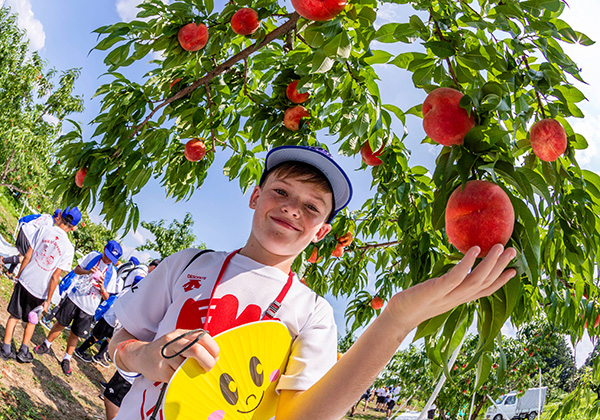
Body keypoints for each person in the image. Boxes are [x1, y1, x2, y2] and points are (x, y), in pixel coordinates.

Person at [107, 145, 517, 420]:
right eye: (281, 191)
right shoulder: (185, 264)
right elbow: (120, 340)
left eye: (311, 206)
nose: (291, 208)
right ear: (255, 196)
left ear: (322, 232)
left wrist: (394, 323)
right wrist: (144, 357)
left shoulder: (312, 312)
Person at [0, 206, 80, 362]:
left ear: (60, 216)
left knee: (14, 316)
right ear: (74, 227)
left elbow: (28, 255)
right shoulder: (68, 249)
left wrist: (19, 276)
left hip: (26, 280)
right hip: (40, 290)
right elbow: (55, 276)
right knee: (32, 320)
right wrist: (48, 300)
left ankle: (6, 348)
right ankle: (23, 351)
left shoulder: (44, 230)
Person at [34, 240, 123, 376]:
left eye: (112, 259)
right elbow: (76, 269)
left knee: (75, 334)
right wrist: (88, 271)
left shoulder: (112, 273)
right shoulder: (93, 256)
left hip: (88, 308)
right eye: (107, 256)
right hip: (74, 298)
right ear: (104, 249)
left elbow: (106, 297)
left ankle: (66, 359)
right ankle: (46, 344)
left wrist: (101, 287)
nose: (108, 260)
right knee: (60, 324)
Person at [74, 259, 160, 368]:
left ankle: (99, 356)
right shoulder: (140, 274)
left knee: (111, 337)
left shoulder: (137, 280)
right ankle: (81, 350)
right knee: (98, 335)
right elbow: (137, 283)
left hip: (119, 315)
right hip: (114, 313)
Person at [2, 208, 62, 276]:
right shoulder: (49, 223)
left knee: (21, 254)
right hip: (28, 235)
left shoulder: (47, 216)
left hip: (24, 230)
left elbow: (31, 217)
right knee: (24, 258)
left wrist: (22, 222)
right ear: (57, 218)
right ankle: (3, 260)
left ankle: (9, 271)